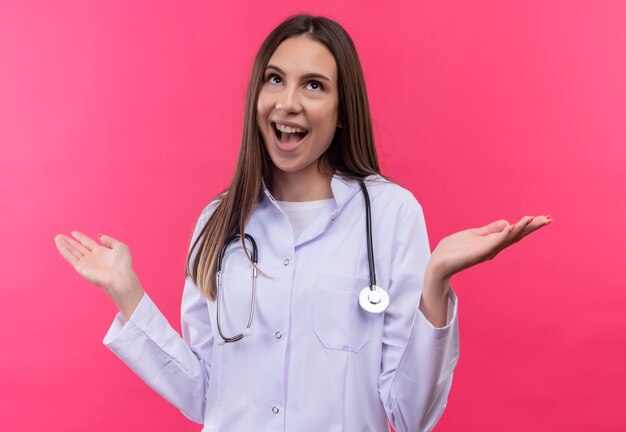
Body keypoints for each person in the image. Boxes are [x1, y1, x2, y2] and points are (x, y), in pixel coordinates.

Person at [54, 14, 551, 432]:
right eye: (275, 79)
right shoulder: (218, 222)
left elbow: (410, 412)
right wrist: (128, 294)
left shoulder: (392, 214)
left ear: (340, 113)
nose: (287, 102)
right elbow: (204, 395)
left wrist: (435, 284)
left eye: (313, 85)